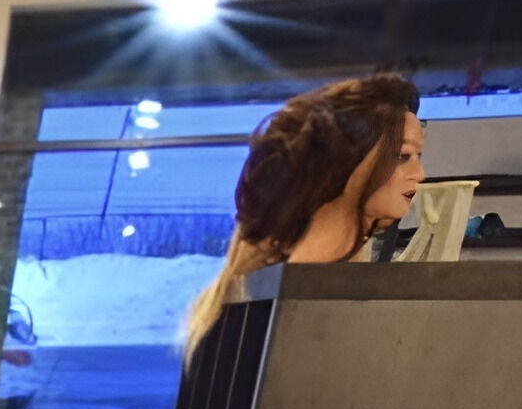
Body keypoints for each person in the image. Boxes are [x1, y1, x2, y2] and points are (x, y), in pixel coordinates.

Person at [181, 75, 425, 353]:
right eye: (402, 156)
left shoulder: (260, 299)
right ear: (342, 168)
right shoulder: (284, 312)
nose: (419, 174)